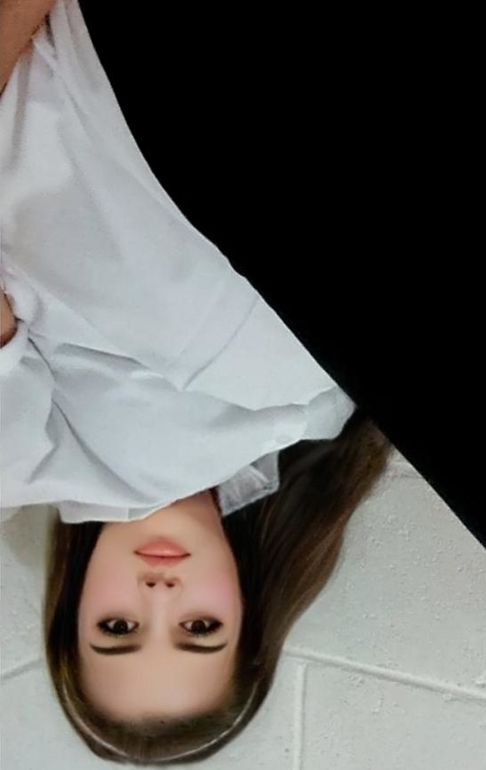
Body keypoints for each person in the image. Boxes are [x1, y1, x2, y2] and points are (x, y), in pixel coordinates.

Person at [0, 0, 392, 763]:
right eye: (199, 629)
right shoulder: (321, 430)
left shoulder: (30, 461)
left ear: (72, 603)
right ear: (247, 606)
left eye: (116, 628)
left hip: (104, 89)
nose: (159, 598)